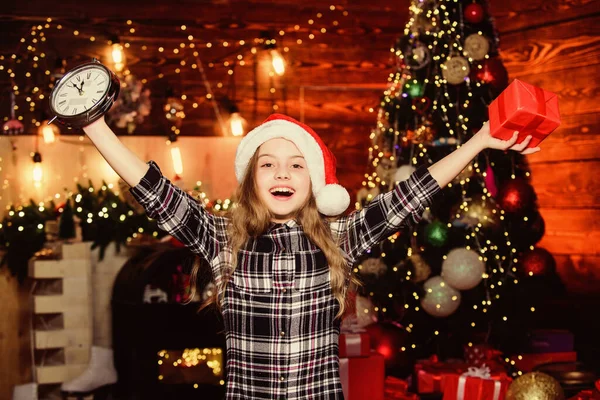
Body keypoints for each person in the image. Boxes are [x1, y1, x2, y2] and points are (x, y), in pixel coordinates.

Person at [82, 113, 539, 399]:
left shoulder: (338, 238)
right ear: (252, 181)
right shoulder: (222, 238)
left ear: (314, 182)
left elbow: (409, 195)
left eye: (297, 163)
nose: (283, 172)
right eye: (269, 164)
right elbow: (153, 189)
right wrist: (94, 124)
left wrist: (478, 142)